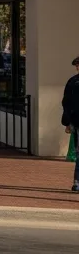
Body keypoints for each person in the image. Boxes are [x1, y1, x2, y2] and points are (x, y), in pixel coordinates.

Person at [62, 54, 79, 193]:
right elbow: (66, 103)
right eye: (77, 66)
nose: (77, 68)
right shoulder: (72, 82)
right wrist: (67, 122)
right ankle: (77, 182)